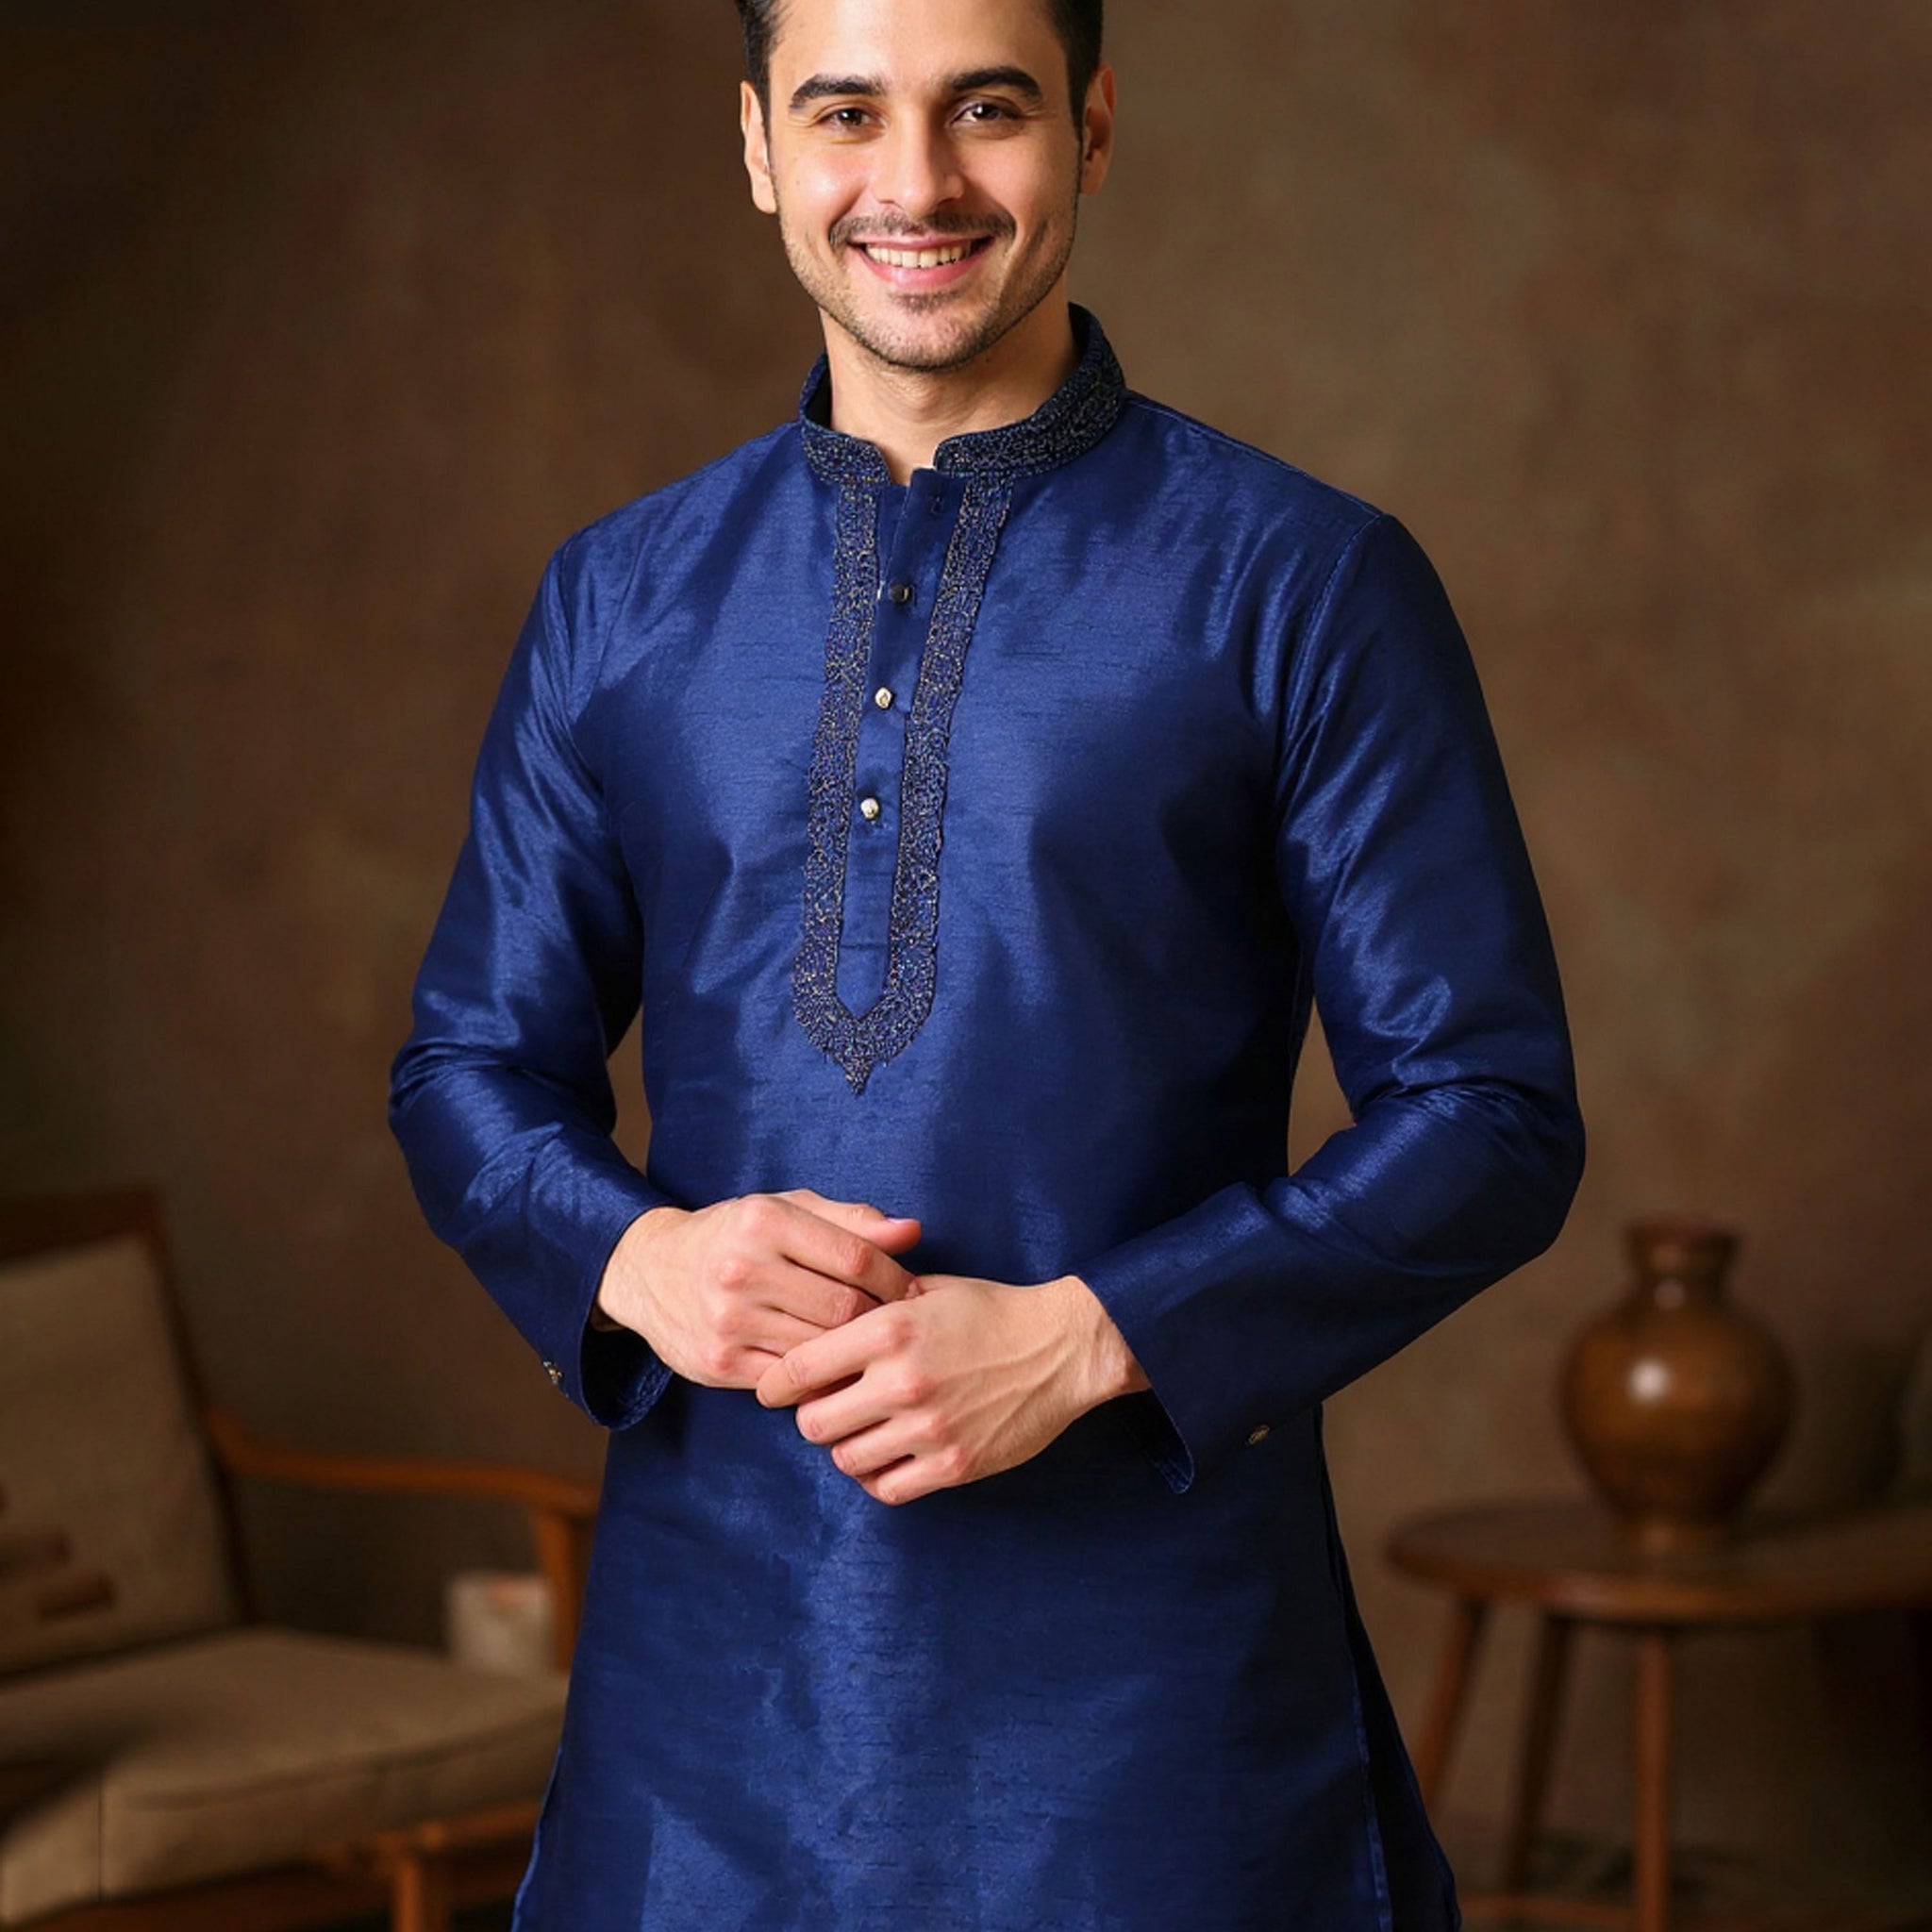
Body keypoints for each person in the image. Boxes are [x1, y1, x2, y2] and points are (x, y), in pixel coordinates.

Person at [388, 0, 1586, 1924]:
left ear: (1092, 130)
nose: (917, 184)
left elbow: (1491, 1113)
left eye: (989, 109)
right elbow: (465, 1065)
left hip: (1155, 1713)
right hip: (710, 1706)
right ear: (763, 146)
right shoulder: (621, 596)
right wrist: (637, 1253)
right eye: (848, 112)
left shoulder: (1298, 579)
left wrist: (1092, 1333)